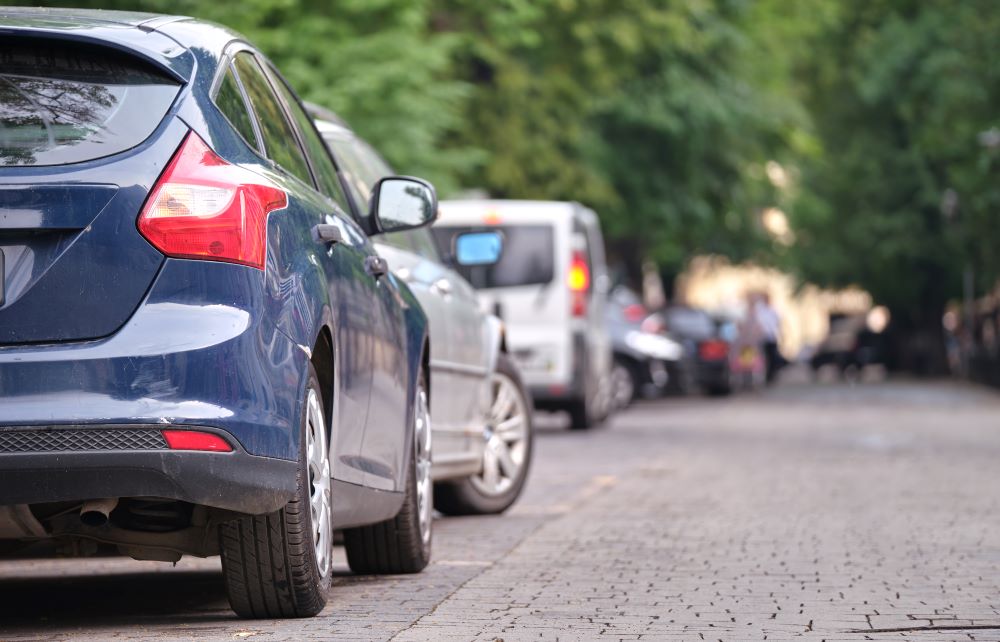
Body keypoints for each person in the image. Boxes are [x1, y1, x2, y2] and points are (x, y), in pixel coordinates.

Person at [754, 292, 783, 384]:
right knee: (763, 357)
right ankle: (764, 375)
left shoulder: (773, 310)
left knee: (773, 357)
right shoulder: (759, 310)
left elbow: (778, 323)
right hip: (762, 337)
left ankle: (771, 376)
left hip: (771, 337)